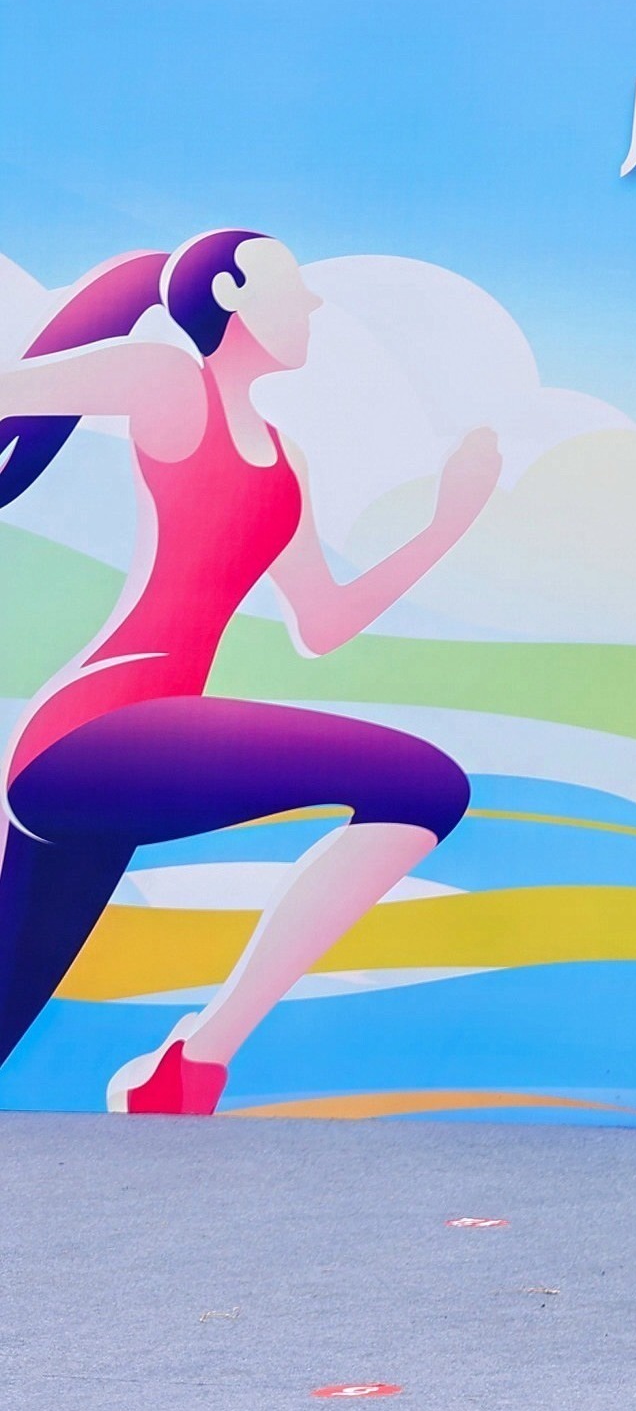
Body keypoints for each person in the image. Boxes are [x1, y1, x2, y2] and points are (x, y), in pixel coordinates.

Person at [0, 232, 494, 1111]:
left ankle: (179, 1073)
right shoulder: (165, 381)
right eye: (290, 284)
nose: (312, 304)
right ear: (230, 293)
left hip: (148, 750)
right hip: (92, 731)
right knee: (422, 784)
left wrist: (446, 525)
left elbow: (323, 624)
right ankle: (194, 1062)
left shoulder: (282, 459)